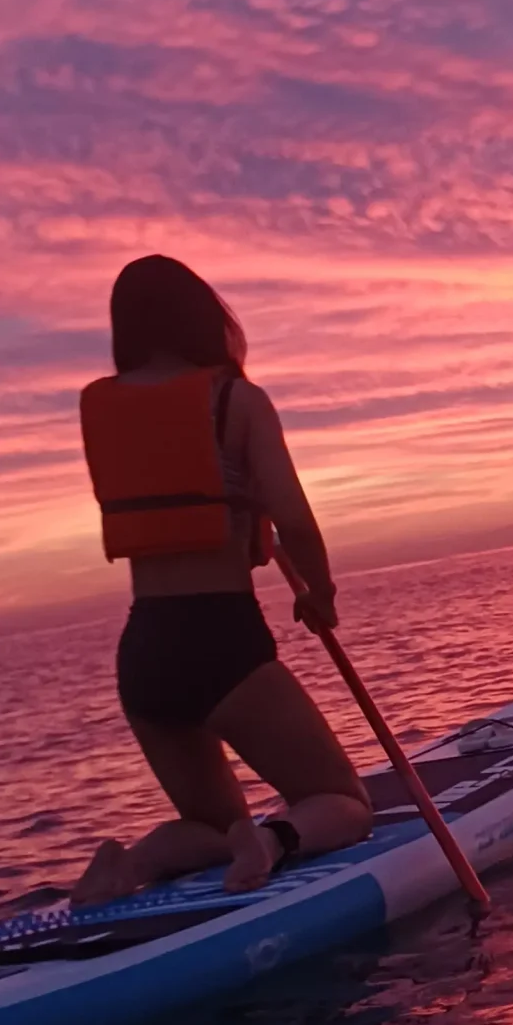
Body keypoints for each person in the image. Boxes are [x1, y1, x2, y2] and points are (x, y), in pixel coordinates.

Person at [72, 256, 373, 905]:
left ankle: (136, 861)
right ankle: (270, 842)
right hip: (220, 639)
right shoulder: (235, 398)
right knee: (341, 801)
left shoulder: (101, 405)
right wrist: (319, 595)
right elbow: (293, 518)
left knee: (209, 825)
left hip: (144, 650)